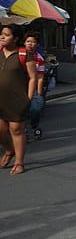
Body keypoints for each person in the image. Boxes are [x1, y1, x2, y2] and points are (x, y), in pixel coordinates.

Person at [0, 24, 37, 175]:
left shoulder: (24, 54)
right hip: (0, 99)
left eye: (6, 35)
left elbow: (33, 77)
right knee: (1, 131)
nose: (2, 37)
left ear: (15, 39)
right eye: (1, 34)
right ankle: (9, 150)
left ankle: (19, 162)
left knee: (16, 130)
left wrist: (28, 98)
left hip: (17, 99)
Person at [22, 30, 46, 140]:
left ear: (37, 44)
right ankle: (23, 131)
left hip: (34, 89)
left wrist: (39, 94)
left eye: (33, 42)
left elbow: (40, 78)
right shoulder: (19, 55)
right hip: (20, 88)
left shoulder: (39, 59)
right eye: (28, 41)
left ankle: (34, 126)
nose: (30, 44)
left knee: (35, 109)